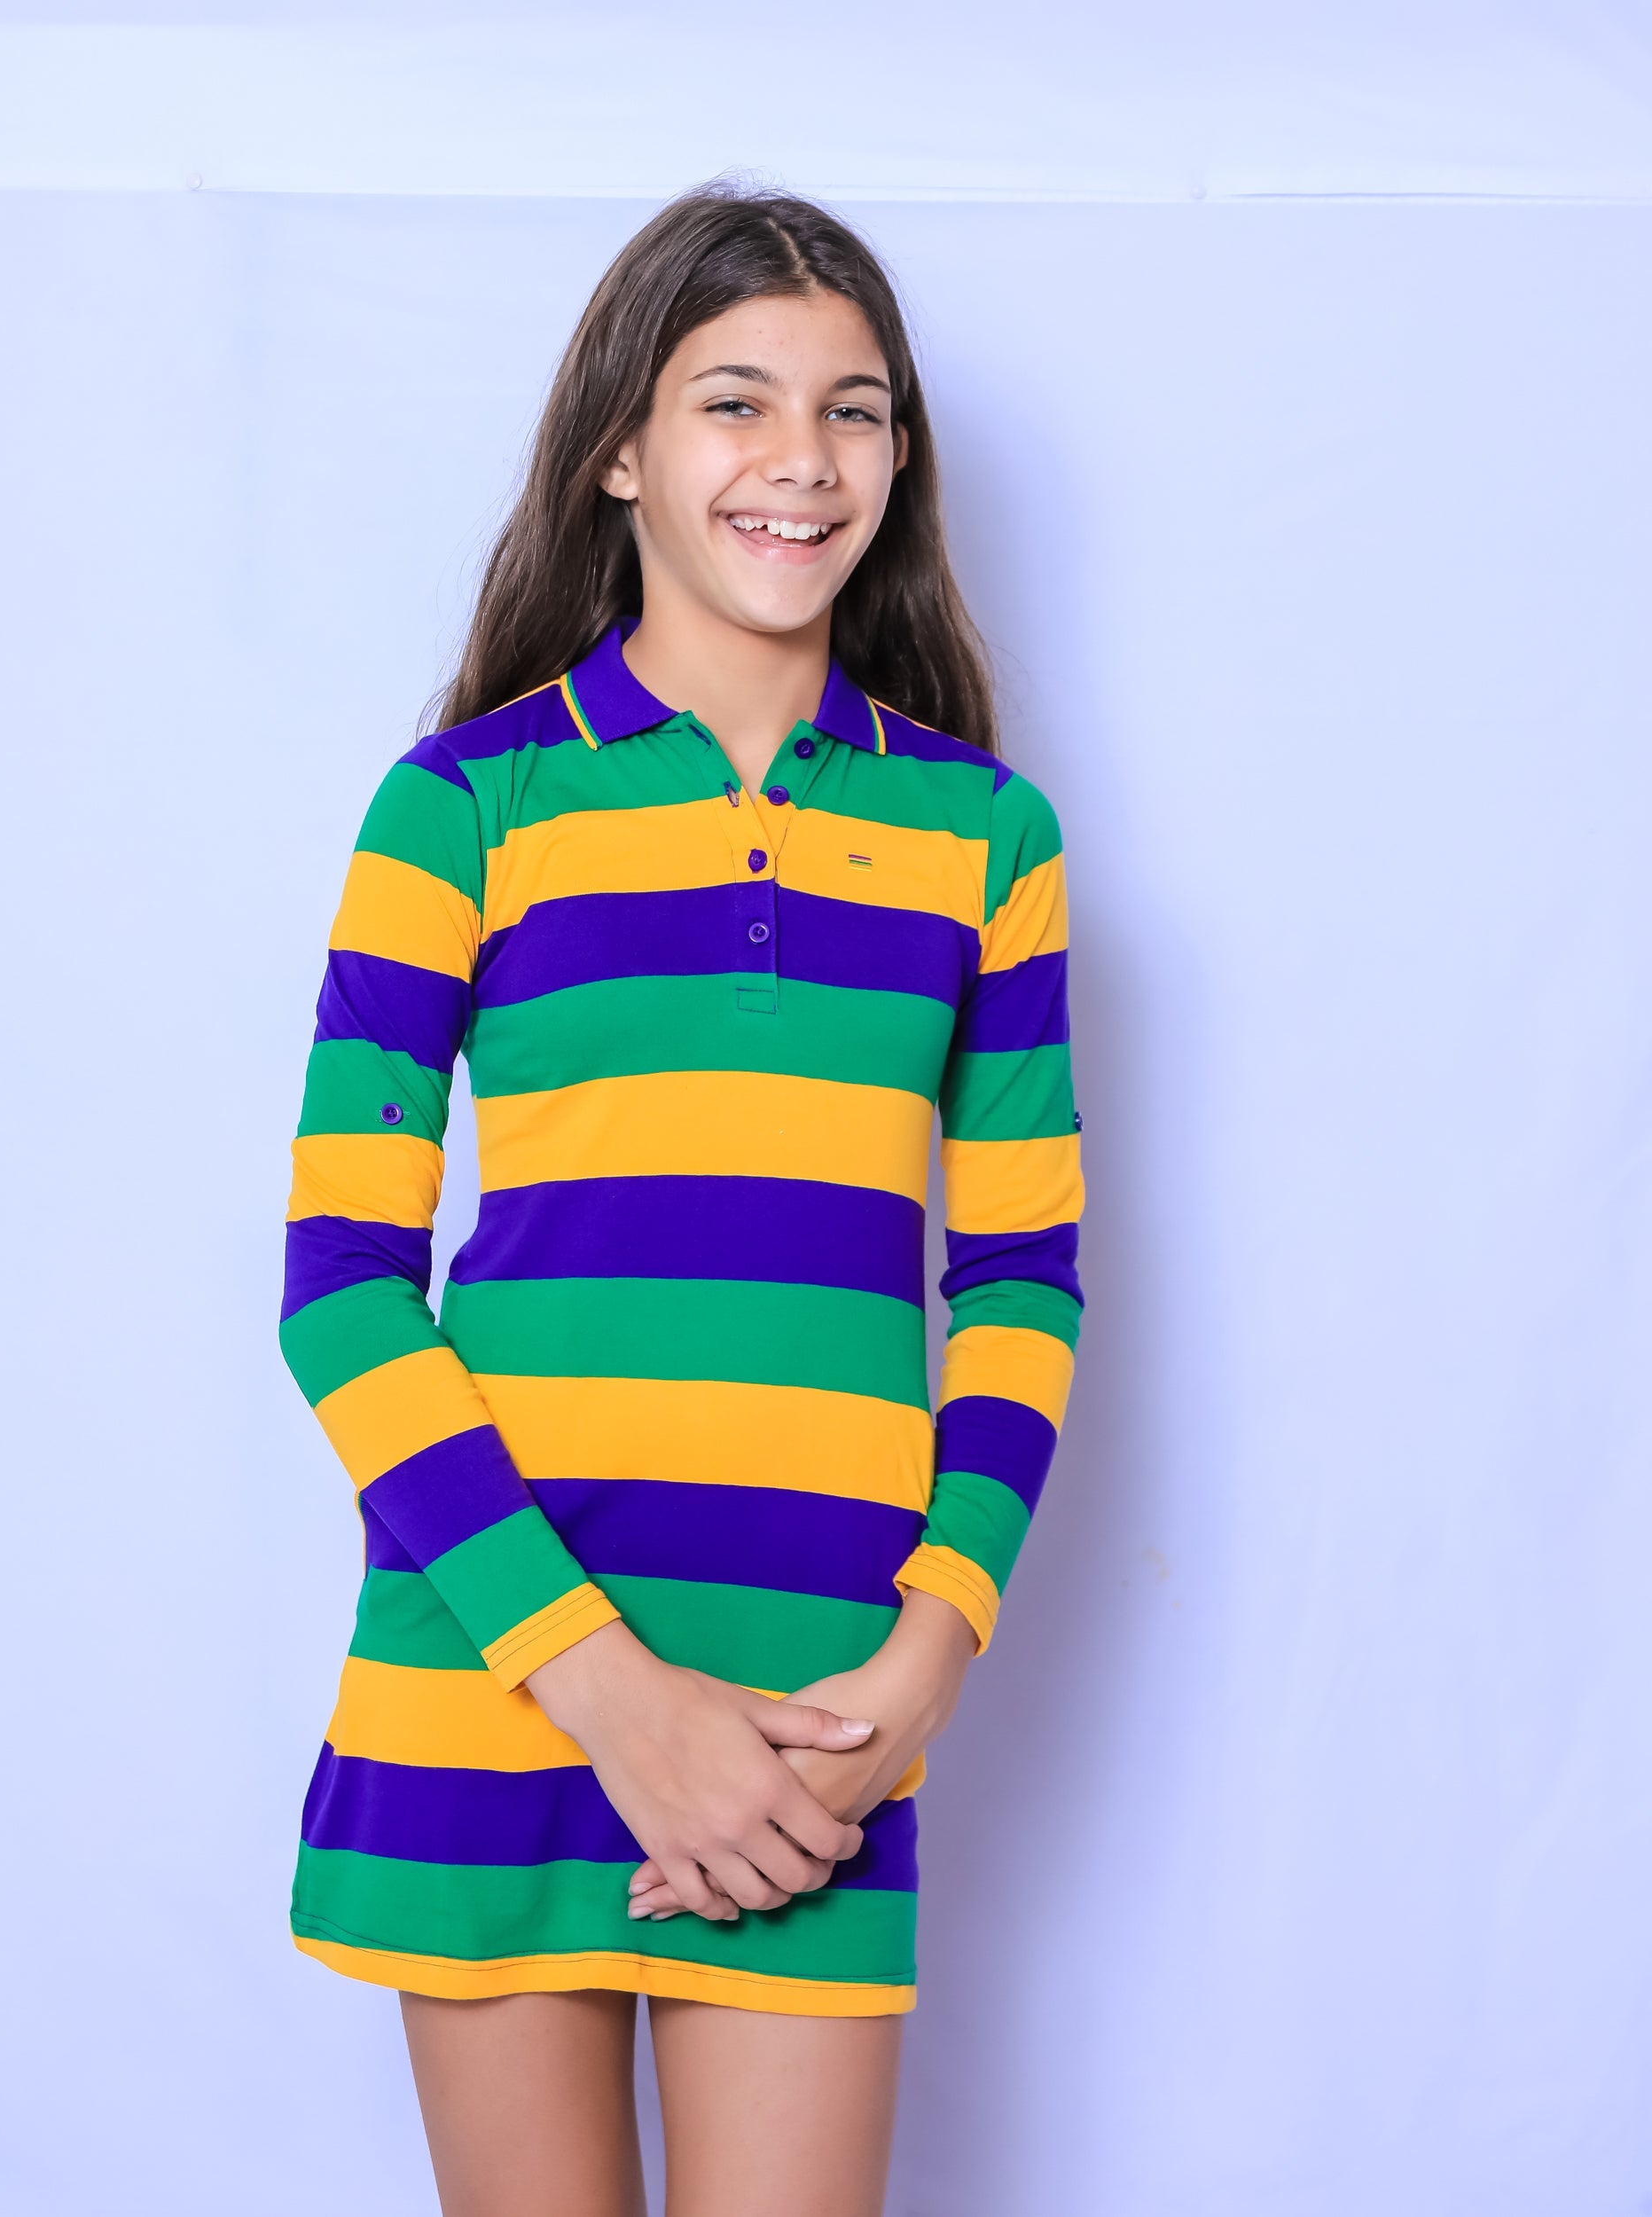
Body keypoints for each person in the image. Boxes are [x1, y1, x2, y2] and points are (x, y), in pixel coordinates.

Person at [278, 183, 1082, 2217]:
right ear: (621, 450)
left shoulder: (984, 836)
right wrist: (608, 1692)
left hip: (819, 1704)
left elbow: (1022, 1281)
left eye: (852, 410)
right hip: (504, 1663)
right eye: (735, 400)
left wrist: (928, 1656)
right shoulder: (460, 806)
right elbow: (342, 1286)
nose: (801, 458)